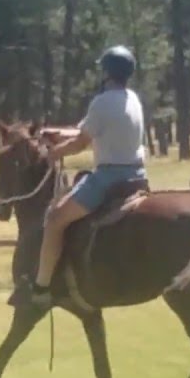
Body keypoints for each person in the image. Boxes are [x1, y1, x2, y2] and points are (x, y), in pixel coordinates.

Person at [28, 45, 147, 308]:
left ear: (106, 73)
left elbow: (81, 143)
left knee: (55, 219)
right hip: (138, 175)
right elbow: (87, 132)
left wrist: (53, 153)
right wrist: (54, 133)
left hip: (108, 178)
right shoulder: (132, 99)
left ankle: (42, 286)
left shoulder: (101, 102)